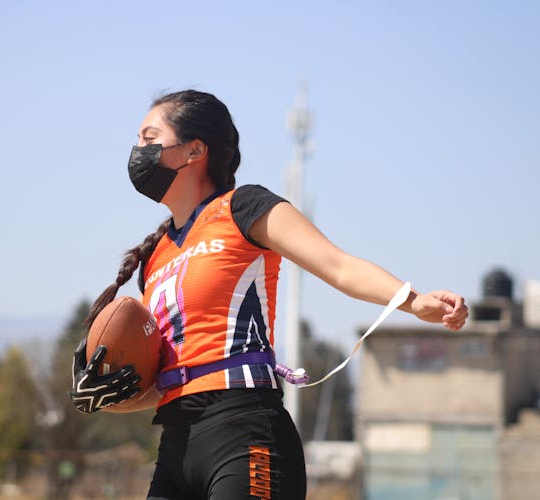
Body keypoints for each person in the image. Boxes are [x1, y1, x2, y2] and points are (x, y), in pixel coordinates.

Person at [69, 89, 469, 499]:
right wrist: (108, 394)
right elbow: (168, 378)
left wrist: (412, 300)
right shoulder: (154, 256)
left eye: (150, 138)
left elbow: (338, 265)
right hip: (176, 442)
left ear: (194, 151)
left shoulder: (243, 207)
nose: (138, 151)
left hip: (245, 431)